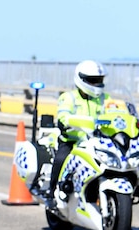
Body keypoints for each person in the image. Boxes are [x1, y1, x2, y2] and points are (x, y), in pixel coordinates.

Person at [47, 60, 109, 201]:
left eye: (99, 80)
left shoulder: (105, 98)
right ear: (81, 79)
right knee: (61, 159)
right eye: (93, 80)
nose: (97, 84)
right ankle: (51, 194)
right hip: (72, 141)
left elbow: (116, 111)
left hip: (97, 142)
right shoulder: (69, 97)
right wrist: (68, 120)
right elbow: (63, 115)